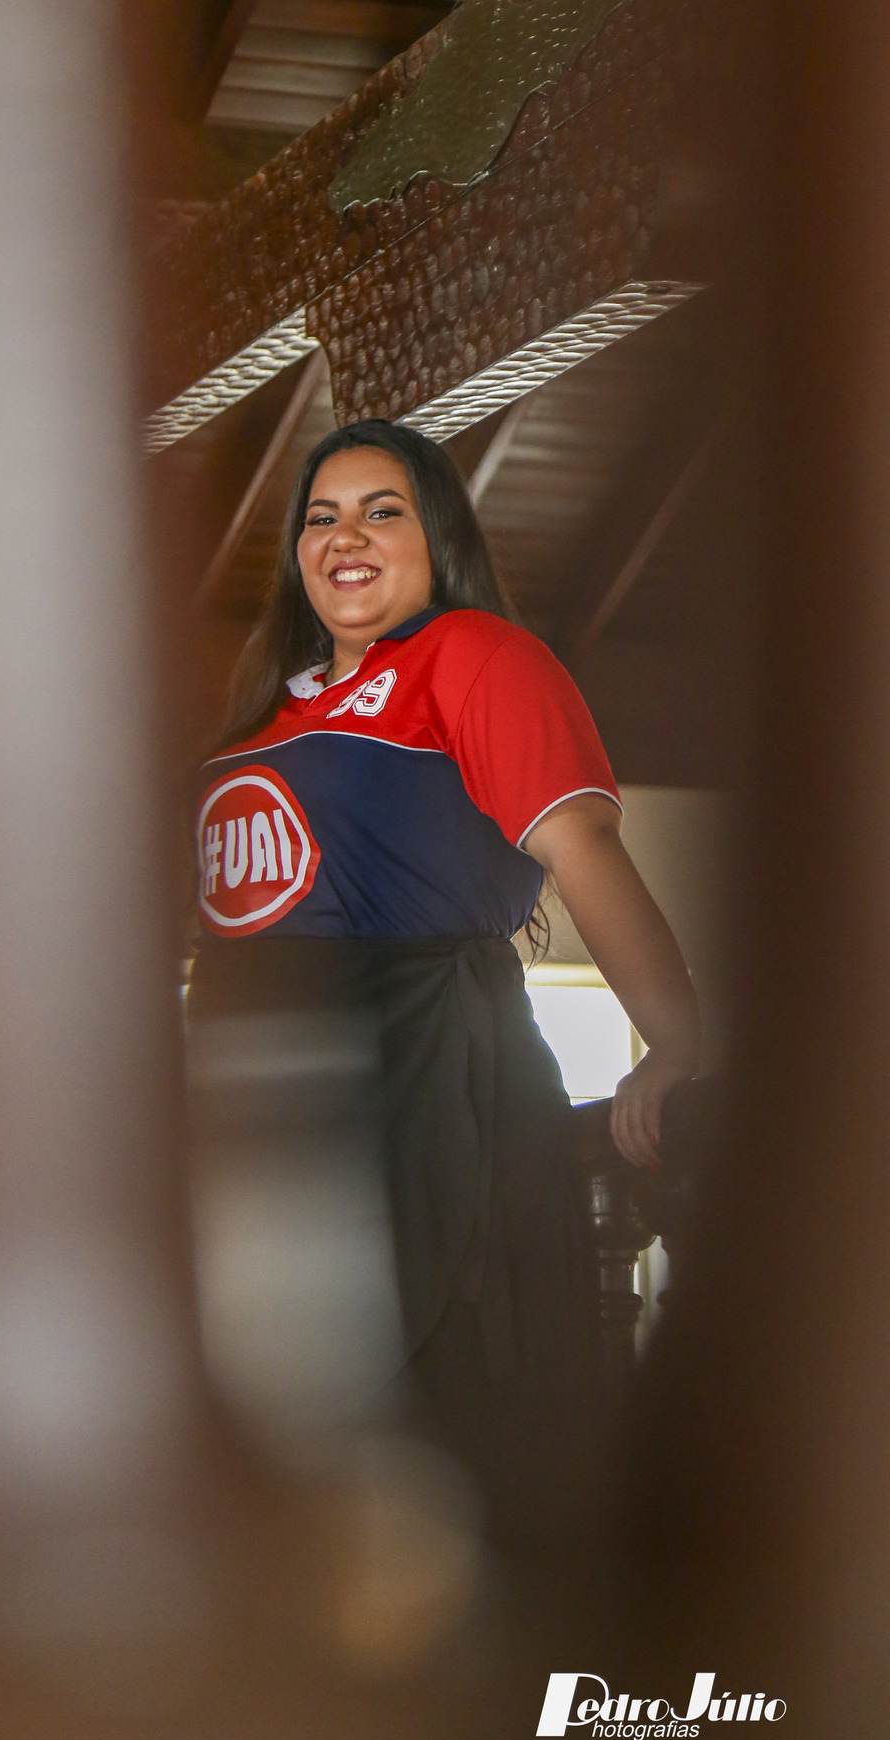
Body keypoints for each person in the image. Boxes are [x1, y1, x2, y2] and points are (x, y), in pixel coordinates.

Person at [187, 418, 699, 1542]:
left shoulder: (476, 658)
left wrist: (674, 1043)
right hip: (264, 1125)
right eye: (321, 518)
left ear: (440, 541)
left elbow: (585, 853)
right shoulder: (266, 705)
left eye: (383, 512)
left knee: (430, 1451)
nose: (346, 537)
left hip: (427, 1093)